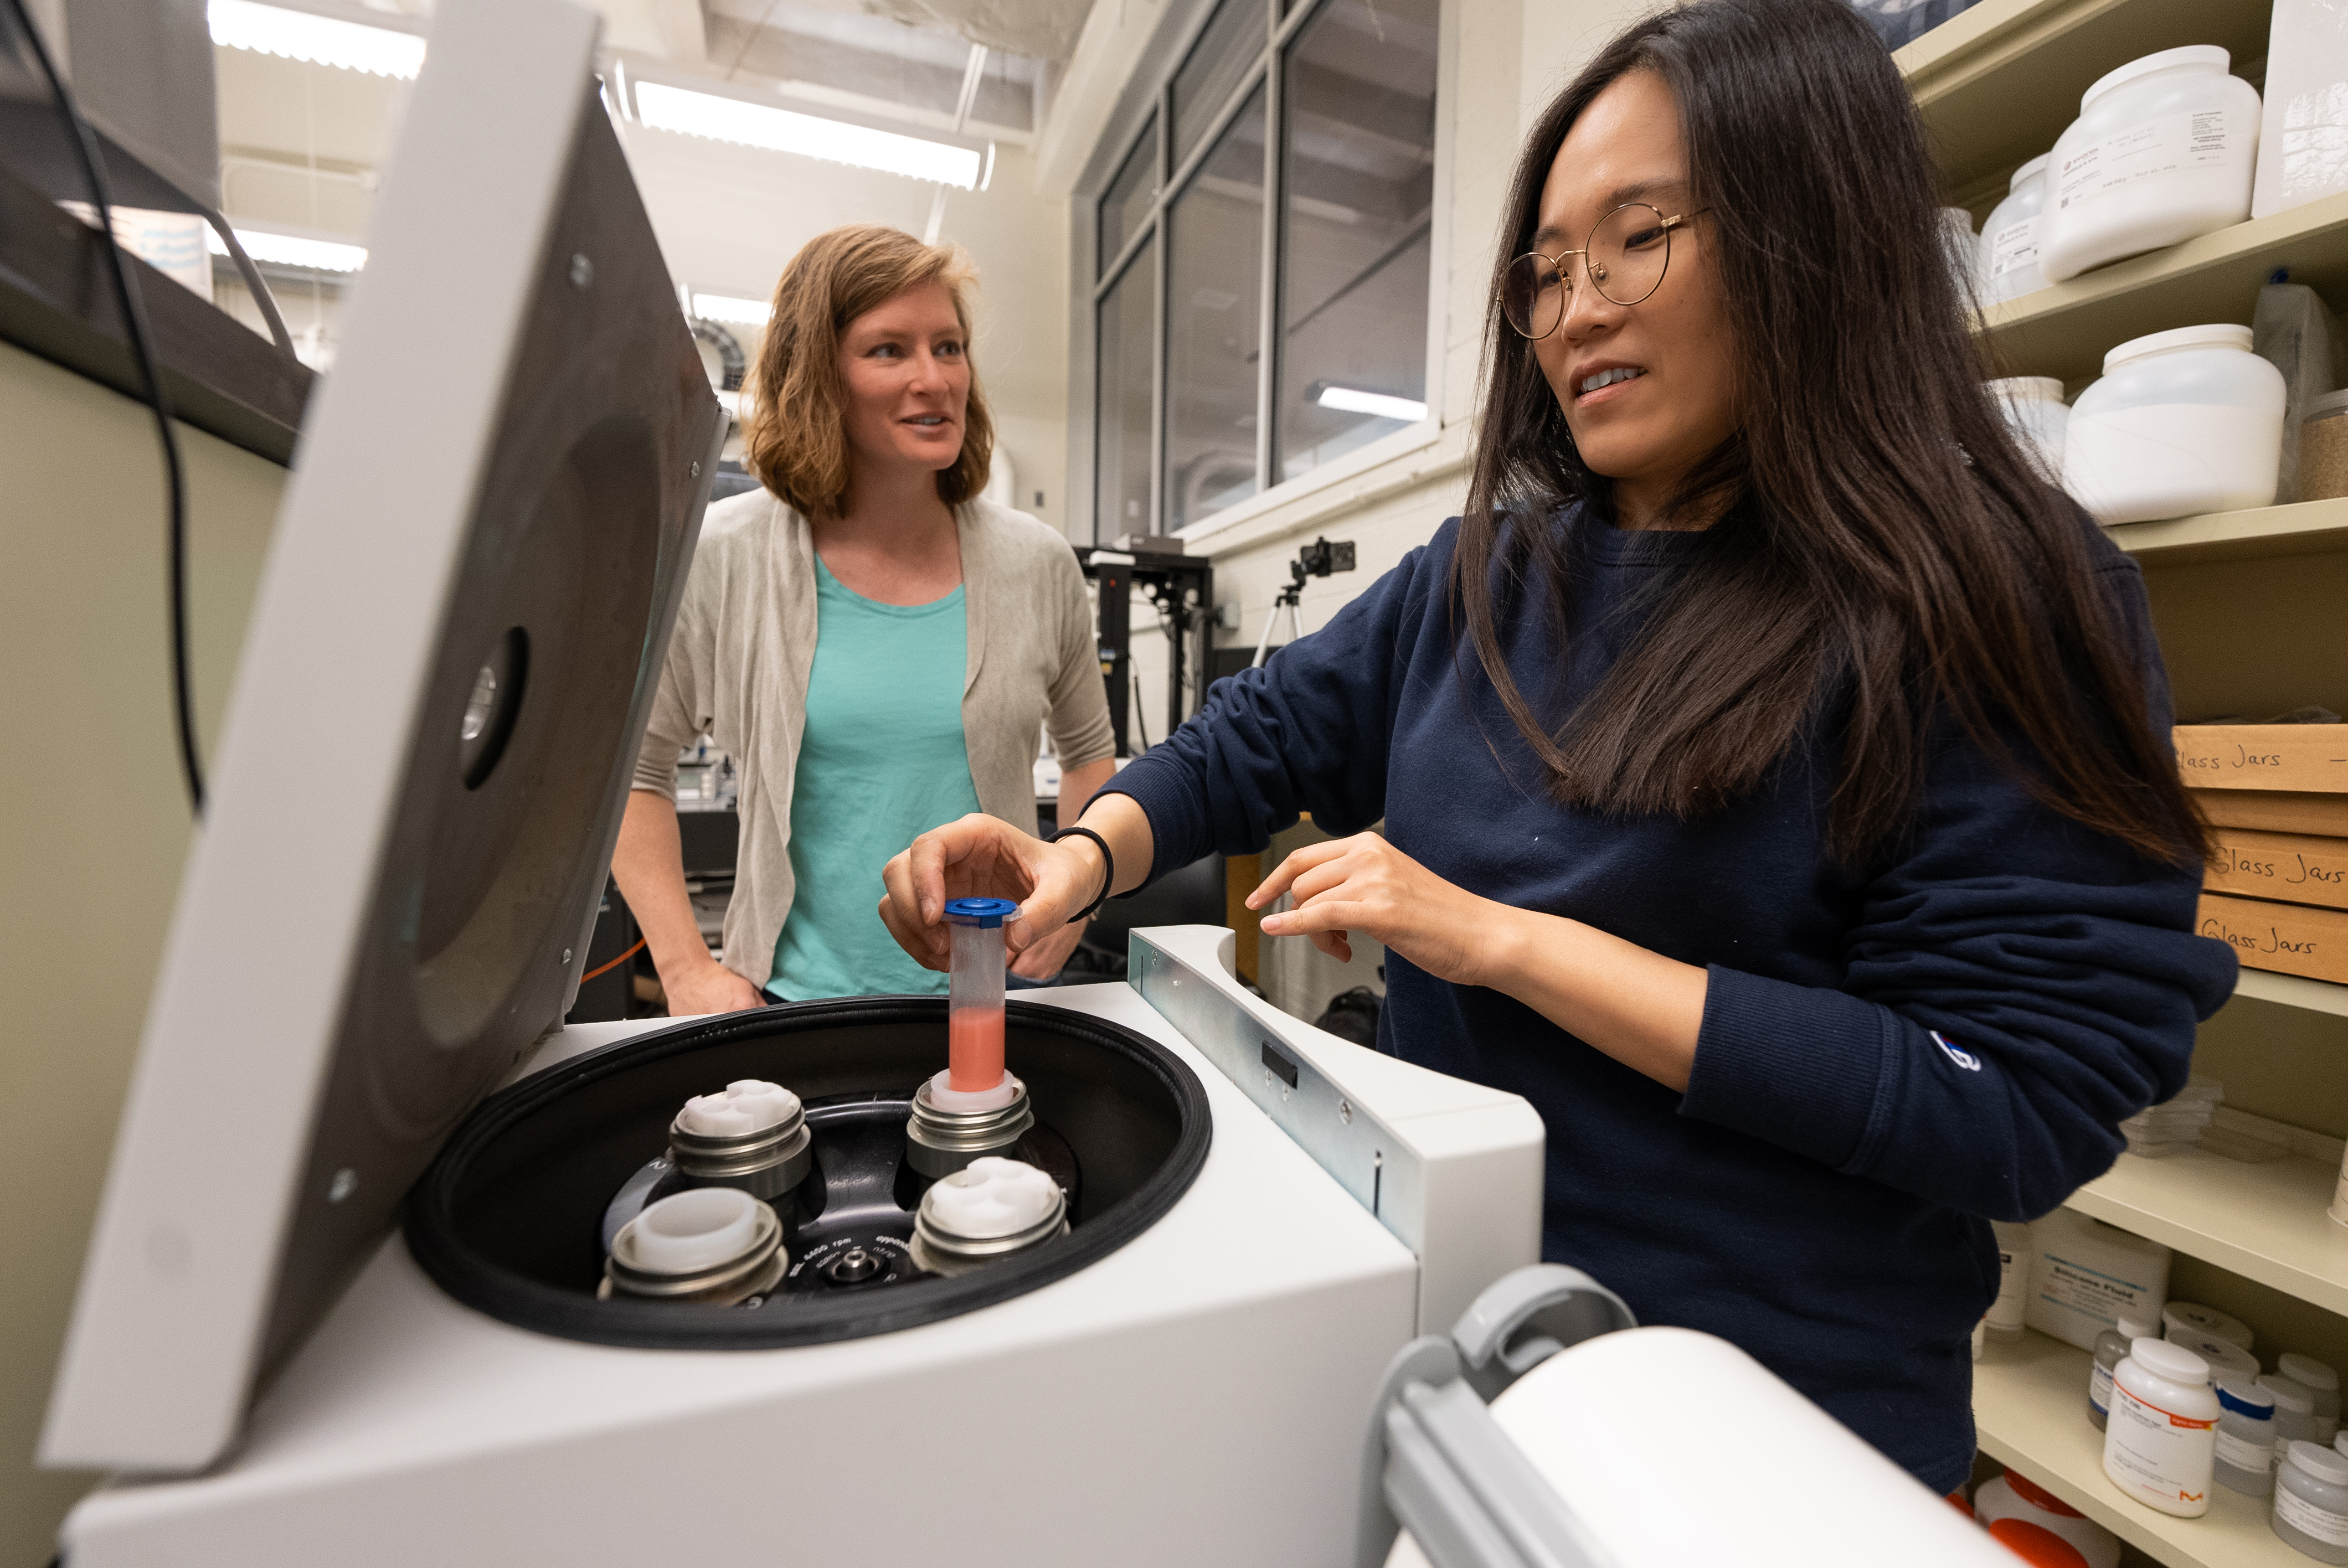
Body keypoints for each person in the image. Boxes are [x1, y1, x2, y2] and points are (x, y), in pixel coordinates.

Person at [878, 0, 2236, 1493]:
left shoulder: (1997, 598)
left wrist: (1506, 943)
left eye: (1641, 237)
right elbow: (1254, 739)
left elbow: (2010, 1100)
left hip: (1755, 1430)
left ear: (1812, 231)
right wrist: (1080, 856)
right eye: (1546, 269)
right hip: (1457, 1338)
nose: (1579, 306)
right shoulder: (1485, 575)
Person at [617, 224, 1115, 1014]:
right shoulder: (725, 554)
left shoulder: (1038, 561)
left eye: (949, 348)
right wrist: (685, 969)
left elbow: (1090, 752)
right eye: (890, 351)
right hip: (792, 1004)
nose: (935, 378)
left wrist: (1079, 891)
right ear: (820, 378)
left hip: (996, 998)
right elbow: (634, 773)